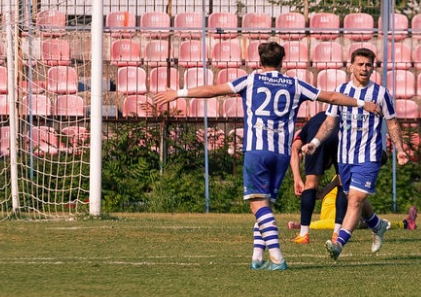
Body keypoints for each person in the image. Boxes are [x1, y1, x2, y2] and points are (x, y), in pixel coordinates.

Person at [151, 41, 378, 271]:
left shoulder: (251, 80)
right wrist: (361, 103)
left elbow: (213, 90)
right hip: (280, 155)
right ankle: (257, 258)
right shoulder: (295, 84)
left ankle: (277, 258)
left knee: (257, 205)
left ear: (259, 62)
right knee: (264, 203)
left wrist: (177, 93)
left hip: (257, 151)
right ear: (282, 62)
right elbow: (330, 97)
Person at [303, 47, 410, 261]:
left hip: (369, 156)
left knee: (356, 199)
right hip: (345, 157)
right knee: (355, 198)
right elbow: (329, 121)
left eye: (368, 65)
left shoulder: (380, 94)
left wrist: (400, 150)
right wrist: (314, 142)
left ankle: (337, 245)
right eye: (360, 64)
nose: (364, 68)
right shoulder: (341, 92)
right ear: (351, 66)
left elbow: (392, 123)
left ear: (373, 68)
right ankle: (377, 225)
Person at [289, 109, 347, 245]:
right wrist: (325, 190)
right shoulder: (340, 118)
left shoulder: (307, 127)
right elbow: (342, 178)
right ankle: (337, 234)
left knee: (311, 184)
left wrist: (297, 178)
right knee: (344, 182)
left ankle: (304, 234)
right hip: (341, 134)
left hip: (318, 135)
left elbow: (295, 148)